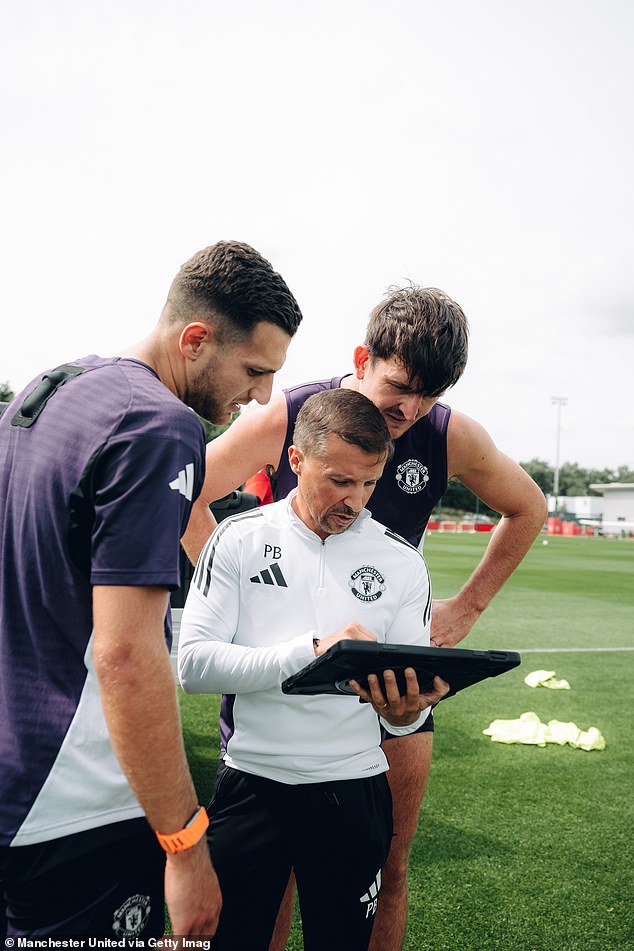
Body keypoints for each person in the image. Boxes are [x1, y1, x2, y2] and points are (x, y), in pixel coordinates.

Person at [180, 284, 548, 950]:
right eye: (401, 386)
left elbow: (528, 506)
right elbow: (183, 490)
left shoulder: (447, 433)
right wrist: (239, 591)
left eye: (430, 394)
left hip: (385, 673)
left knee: (390, 866)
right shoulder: (291, 415)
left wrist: (466, 607)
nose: (412, 408)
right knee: (271, 882)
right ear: (362, 359)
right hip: (278, 691)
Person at [0, 240, 303, 939]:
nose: (261, 396)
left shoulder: (54, 385)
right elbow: (127, 655)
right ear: (195, 340)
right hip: (73, 802)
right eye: (255, 370)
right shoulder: (158, 425)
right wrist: (185, 843)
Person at [178, 389, 449, 951]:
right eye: (340, 481)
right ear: (295, 461)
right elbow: (196, 665)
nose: (356, 501)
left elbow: (400, 708)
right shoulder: (239, 538)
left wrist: (403, 715)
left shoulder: (402, 561)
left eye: (370, 483)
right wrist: (315, 650)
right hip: (253, 783)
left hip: (354, 790)